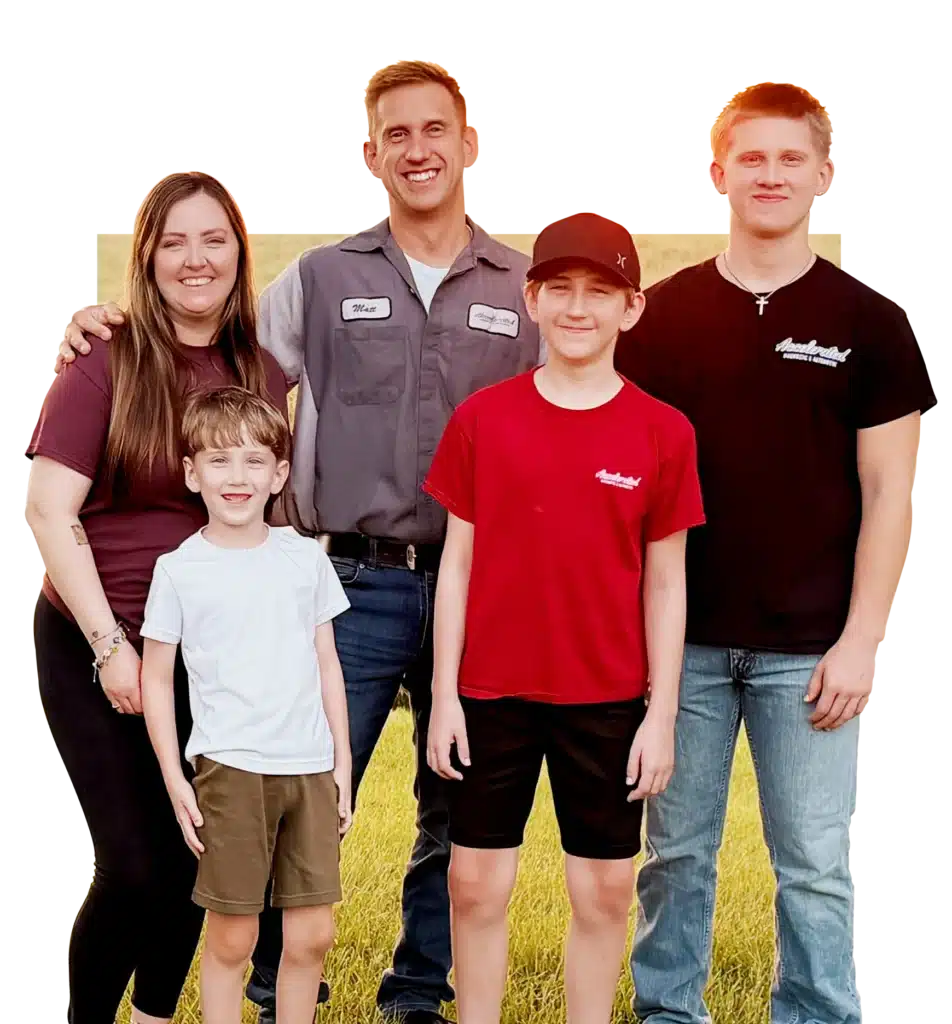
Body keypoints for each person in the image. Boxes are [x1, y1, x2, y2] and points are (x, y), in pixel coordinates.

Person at [55, 60, 541, 1024]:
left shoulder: (524, 288)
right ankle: (278, 996)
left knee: (455, 810)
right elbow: (218, 357)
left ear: (470, 144)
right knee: (294, 786)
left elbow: (575, 397)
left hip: (479, 585)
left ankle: (415, 994)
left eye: (435, 130)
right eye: (394, 135)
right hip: (347, 583)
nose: (418, 150)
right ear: (371, 155)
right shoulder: (321, 280)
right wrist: (101, 325)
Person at [615, 81, 936, 1024]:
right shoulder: (661, 319)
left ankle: (820, 1013)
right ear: (717, 172)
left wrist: (862, 639)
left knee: (818, 865)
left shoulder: (872, 322)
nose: (770, 175)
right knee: (675, 858)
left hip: (813, 653)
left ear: (824, 176)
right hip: (686, 654)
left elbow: (891, 495)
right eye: (750, 157)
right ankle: (669, 1013)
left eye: (791, 158)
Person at [425, 212, 707, 1024]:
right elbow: (458, 566)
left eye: (599, 292)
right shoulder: (485, 418)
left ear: (632, 308)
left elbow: (666, 585)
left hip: (609, 698)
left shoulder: (663, 431)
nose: (578, 309)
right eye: (561, 291)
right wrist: (444, 695)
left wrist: (660, 715)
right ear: (531, 299)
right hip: (491, 691)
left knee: (606, 888)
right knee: (475, 883)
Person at [26, 171, 290, 1024]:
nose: (195, 258)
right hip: (97, 635)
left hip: (208, 650)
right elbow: (48, 508)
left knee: (192, 858)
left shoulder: (259, 368)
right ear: (147, 256)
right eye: (173, 240)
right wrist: (111, 647)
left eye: (214, 239)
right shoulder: (104, 357)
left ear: (238, 254)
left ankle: (155, 1018)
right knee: (134, 864)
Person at [140, 386, 352, 1024]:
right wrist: (176, 779)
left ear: (280, 473)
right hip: (230, 769)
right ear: (191, 472)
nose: (238, 477)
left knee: (312, 934)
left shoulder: (304, 560)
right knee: (234, 936)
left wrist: (341, 764)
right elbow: (155, 680)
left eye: (255, 461)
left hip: (309, 769)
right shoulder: (180, 570)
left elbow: (327, 663)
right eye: (220, 460)